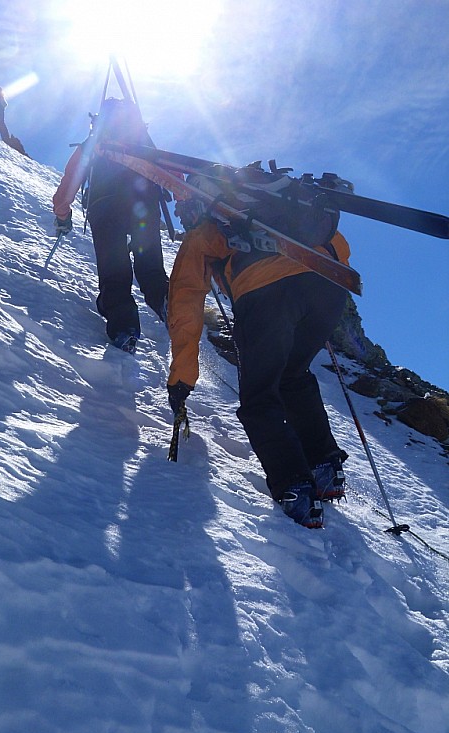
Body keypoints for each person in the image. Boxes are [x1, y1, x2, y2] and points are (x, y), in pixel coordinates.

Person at [167, 176, 350, 528]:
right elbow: (336, 242)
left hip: (266, 292)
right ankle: (325, 467)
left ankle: (295, 487)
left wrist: (182, 378)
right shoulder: (268, 204)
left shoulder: (209, 228)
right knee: (293, 373)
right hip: (329, 280)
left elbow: (185, 304)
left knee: (259, 395)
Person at [52, 98, 169, 353]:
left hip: (105, 206)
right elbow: (168, 173)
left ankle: (124, 328)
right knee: (150, 268)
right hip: (144, 204)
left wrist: (63, 216)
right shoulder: (142, 143)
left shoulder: (95, 143)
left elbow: (68, 185)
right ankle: (169, 303)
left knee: (114, 269)